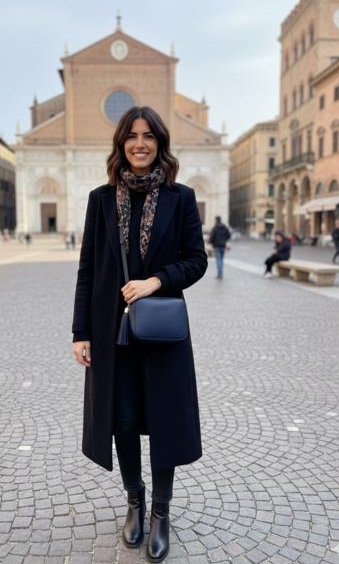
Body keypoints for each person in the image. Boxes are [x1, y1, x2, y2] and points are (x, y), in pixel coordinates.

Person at [72, 106, 208, 563]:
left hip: (162, 329)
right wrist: (80, 331)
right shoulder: (100, 200)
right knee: (124, 420)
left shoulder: (180, 197)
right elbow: (88, 268)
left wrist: (156, 281)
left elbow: (197, 260)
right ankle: (135, 500)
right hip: (111, 331)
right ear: (121, 144)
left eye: (149, 136)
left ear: (160, 143)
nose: (140, 144)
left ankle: (161, 513)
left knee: (165, 419)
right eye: (132, 136)